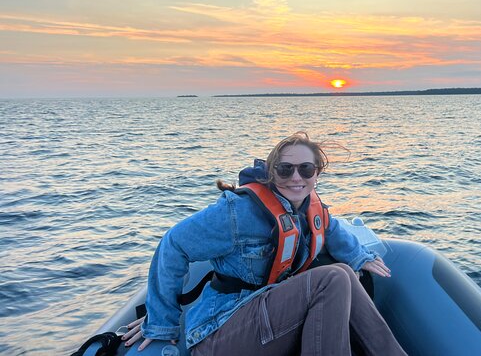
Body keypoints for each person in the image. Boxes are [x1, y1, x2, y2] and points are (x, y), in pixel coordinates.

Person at [122, 132, 407, 355]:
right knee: (331, 278)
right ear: (272, 173)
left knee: (344, 272)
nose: (296, 177)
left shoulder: (310, 207)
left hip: (266, 318)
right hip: (219, 333)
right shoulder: (239, 213)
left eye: (306, 169)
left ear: (317, 174)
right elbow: (174, 244)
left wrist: (358, 257)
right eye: (285, 169)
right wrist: (161, 321)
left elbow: (330, 229)